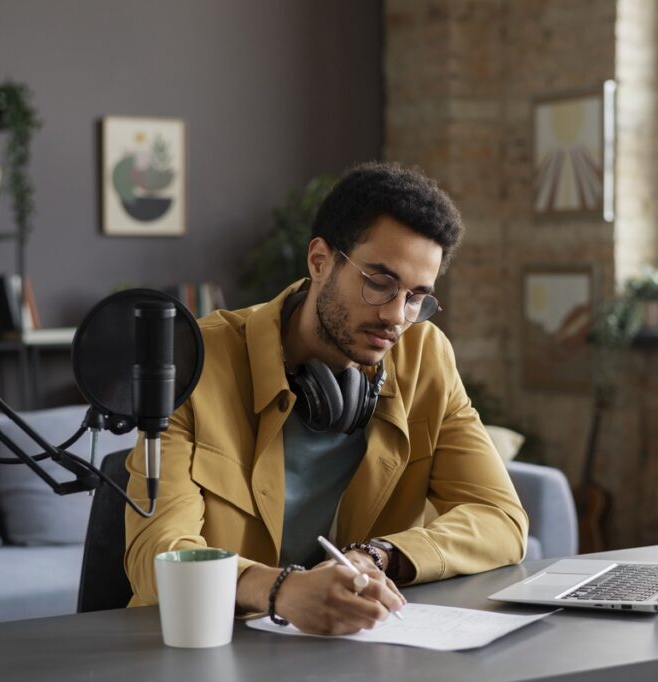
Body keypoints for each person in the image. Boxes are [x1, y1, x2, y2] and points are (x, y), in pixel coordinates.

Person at [124, 161, 528, 635]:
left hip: (351, 647)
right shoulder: (195, 359)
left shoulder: (426, 357)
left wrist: (379, 555)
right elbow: (157, 552)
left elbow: (500, 518)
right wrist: (281, 589)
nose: (396, 316)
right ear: (319, 261)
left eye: (416, 297)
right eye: (379, 283)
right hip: (204, 643)